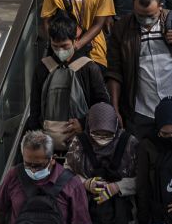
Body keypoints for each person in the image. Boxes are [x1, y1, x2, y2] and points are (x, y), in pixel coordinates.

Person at [105, 0, 172, 139]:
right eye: (140, 16)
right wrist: (115, 107)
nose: (146, 20)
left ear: (161, 6)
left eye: (151, 15)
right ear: (133, 7)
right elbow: (114, 71)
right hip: (142, 108)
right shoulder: (122, 28)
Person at [29, 11, 111, 150]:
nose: (60, 51)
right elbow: (35, 108)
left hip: (82, 142)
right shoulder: (42, 68)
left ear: (75, 40)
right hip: (49, 143)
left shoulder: (89, 67)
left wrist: (84, 122)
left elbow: (103, 104)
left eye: (65, 46)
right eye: (55, 46)